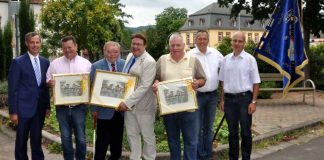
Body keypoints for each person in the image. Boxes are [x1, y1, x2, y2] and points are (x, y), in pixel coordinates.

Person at [153, 33, 206, 160]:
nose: (175, 48)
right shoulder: (162, 60)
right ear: (169, 46)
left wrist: (197, 83)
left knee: (191, 142)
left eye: (178, 45)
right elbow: (155, 79)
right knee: (173, 142)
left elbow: (203, 79)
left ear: (184, 45)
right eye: (172, 45)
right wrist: (155, 84)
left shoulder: (193, 60)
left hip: (189, 110)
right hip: (169, 110)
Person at [46, 36, 92, 160]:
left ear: (76, 47)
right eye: (64, 48)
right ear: (62, 48)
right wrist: (50, 83)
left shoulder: (86, 64)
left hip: (79, 107)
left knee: (81, 138)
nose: (67, 50)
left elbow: (91, 83)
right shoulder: (54, 64)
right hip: (62, 108)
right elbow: (47, 80)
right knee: (65, 138)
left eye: (70, 47)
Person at [8, 32, 50, 160]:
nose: (35, 45)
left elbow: (45, 87)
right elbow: (13, 89)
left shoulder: (45, 62)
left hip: (39, 109)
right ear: (27, 43)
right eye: (32, 42)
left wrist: (47, 106)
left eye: (37, 42)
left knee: (37, 140)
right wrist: (13, 112)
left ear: (40, 43)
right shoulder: (18, 62)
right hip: (23, 110)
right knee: (21, 140)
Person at [219, 31, 260, 160]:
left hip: (244, 99)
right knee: (232, 133)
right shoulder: (225, 59)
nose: (237, 43)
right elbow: (222, 81)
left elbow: (256, 82)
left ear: (244, 43)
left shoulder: (250, 60)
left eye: (240, 41)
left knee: (246, 132)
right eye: (234, 40)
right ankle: (233, 158)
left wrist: (253, 102)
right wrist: (222, 100)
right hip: (229, 100)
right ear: (231, 42)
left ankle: (246, 157)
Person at [116, 33, 157, 160]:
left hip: (144, 106)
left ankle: (149, 158)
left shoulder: (149, 61)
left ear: (145, 45)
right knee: (132, 135)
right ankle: (135, 158)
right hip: (129, 106)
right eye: (133, 43)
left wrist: (127, 103)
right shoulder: (129, 56)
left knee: (147, 136)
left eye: (138, 44)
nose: (135, 46)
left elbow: (144, 86)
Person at [188, 30, 224, 159]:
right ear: (195, 40)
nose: (202, 41)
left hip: (212, 97)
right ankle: (198, 156)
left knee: (208, 128)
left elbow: (225, 70)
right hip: (196, 96)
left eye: (204, 39)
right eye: (199, 39)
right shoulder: (190, 55)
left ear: (208, 40)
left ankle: (207, 156)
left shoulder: (216, 53)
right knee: (196, 129)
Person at [90, 41, 125, 160]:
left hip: (120, 112)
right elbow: (92, 88)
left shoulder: (124, 65)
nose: (112, 54)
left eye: (115, 52)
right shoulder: (96, 66)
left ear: (119, 52)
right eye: (109, 51)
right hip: (103, 112)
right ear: (104, 52)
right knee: (102, 145)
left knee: (117, 146)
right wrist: (94, 109)